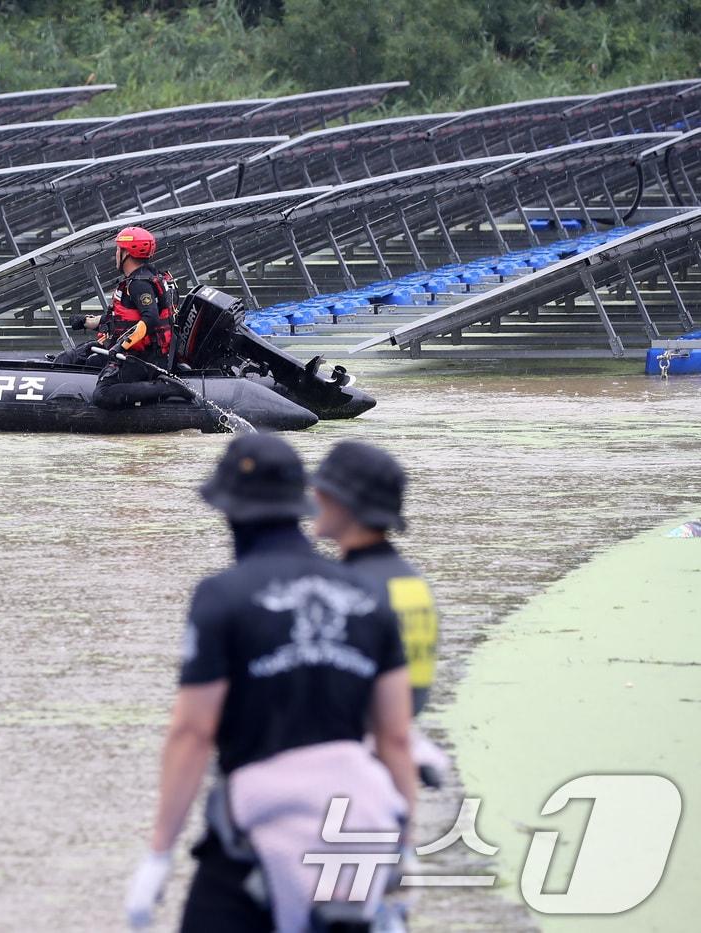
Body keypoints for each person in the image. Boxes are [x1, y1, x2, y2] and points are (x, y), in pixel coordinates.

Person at [125, 435, 417, 932]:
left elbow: (193, 733)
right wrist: (406, 842)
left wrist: (159, 852)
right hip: (354, 831)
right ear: (301, 505)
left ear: (228, 509)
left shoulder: (223, 597)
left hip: (258, 834)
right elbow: (394, 736)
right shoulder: (368, 596)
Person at [312, 440, 447, 785]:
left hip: (353, 763)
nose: (315, 499)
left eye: (324, 492)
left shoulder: (347, 590)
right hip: (398, 743)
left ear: (346, 505)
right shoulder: (414, 582)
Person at [91, 227, 181, 410]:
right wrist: (88, 322)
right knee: (86, 355)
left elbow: (151, 319)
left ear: (126, 253)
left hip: (144, 358)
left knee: (102, 394)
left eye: (118, 250)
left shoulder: (139, 284)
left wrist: (120, 345)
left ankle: (165, 388)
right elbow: (126, 319)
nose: (116, 254)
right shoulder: (149, 277)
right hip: (145, 352)